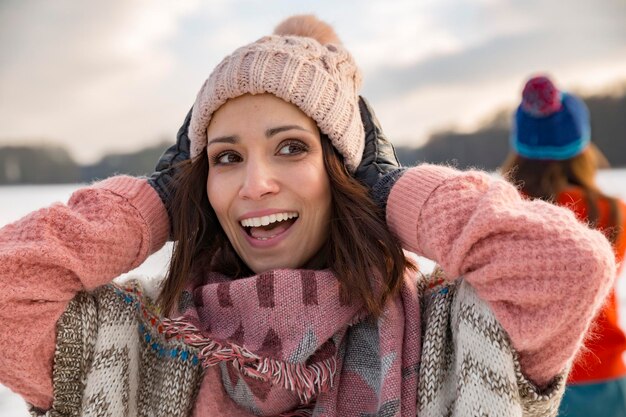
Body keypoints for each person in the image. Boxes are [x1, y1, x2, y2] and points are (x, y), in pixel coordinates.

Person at [0, 16, 617, 417]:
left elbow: (567, 268)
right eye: (226, 157)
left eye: (291, 147)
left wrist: (391, 186)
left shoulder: (443, 337)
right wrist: (160, 198)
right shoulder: (141, 343)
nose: (255, 182)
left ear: (345, 174)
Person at [501, 75, 626, 417]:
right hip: (605, 374)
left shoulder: (508, 214)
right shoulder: (612, 211)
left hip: (533, 382)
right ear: (583, 147)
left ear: (520, 147)